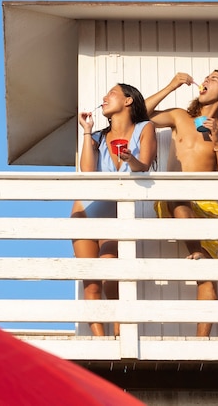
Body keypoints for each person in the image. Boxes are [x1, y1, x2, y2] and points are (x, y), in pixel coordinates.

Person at [145, 70, 218, 337]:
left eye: (214, 79)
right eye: (206, 78)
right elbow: (139, 116)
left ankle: (202, 344)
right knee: (177, 194)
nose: (206, 81)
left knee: (207, 275)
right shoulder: (180, 116)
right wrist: (171, 85)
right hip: (175, 198)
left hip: (207, 202)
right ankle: (196, 248)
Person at [70, 83, 158, 336]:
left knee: (113, 280)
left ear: (128, 101)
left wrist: (131, 159)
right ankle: (100, 344)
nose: (104, 98)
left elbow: (144, 165)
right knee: (92, 284)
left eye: (111, 93)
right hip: (85, 211)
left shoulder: (145, 128)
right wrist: (87, 131)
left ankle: (120, 340)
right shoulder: (97, 136)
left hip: (115, 214)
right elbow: (87, 171)